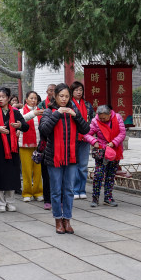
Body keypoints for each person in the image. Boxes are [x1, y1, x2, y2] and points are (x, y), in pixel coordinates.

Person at [39, 83, 90, 235]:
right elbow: (43, 131)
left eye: (67, 96)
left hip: (72, 157)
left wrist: (77, 116)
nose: (64, 99)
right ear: (55, 96)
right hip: (54, 157)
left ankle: (67, 219)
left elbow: (86, 129)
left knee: (68, 190)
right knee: (56, 191)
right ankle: (58, 220)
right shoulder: (49, 111)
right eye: (61, 96)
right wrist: (57, 114)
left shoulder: (73, 111)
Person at [0, 88, 29, 212]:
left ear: (8, 98)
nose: (0, 99)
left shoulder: (15, 113)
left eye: (3, 96)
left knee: (11, 176)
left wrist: (19, 125)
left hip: (12, 149)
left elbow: (25, 126)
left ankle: (10, 202)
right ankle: (0, 202)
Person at [85, 104, 126, 207]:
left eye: (104, 118)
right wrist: (94, 141)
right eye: (100, 117)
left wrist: (113, 142)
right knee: (98, 175)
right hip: (102, 151)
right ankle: (95, 198)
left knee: (110, 175)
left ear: (109, 114)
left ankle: (108, 198)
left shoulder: (117, 117)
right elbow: (87, 134)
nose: (102, 119)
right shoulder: (95, 121)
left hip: (114, 150)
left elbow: (122, 133)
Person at [70, 81, 94, 199]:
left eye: (80, 90)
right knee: (74, 164)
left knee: (83, 165)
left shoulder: (88, 105)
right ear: (72, 91)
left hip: (86, 137)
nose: (79, 92)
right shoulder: (69, 104)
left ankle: (82, 189)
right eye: (76, 90)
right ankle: (74, 190)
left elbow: (93, 121)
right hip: (73, 138)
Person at [19, 91, 44, 202]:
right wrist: (33, 113)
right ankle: (27, 192)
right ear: (26, 99)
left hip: (38, 144)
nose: (34, 100)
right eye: (31, 98)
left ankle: (38, 192)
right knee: (27, 170)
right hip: (24, 145)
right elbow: (21, 120)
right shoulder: (20, 111)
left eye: (35, 98)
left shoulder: (41, 112)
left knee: (38, 170)